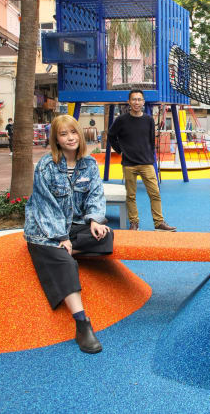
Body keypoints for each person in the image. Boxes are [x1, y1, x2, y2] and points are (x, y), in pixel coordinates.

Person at [24, 114, 113, 354]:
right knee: (64, 262)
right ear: (56, 139)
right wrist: (60, 237)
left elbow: (95, 195)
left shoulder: (89, 164)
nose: (70, 138)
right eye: (63, 134)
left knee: (106, 236)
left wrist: (94, 220)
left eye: (73, 132)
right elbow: (45, 206)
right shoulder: (46, 166)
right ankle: (82, 323)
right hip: (45, 228)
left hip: (74, 224)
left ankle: (69, 248)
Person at [107, 90, 176, 231]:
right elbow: (111, 135)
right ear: (129, 102)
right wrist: (120, 150)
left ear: (143, 102)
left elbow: (151, 140)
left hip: (146, 163)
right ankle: (134, 222)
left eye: (139, 99)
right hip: (129, 163)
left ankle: (159, 222)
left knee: (155, 193)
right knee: (130, 196)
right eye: (134, 99)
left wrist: (149, 155)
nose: (136, 102)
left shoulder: (148, 120)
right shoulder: (121, 120)